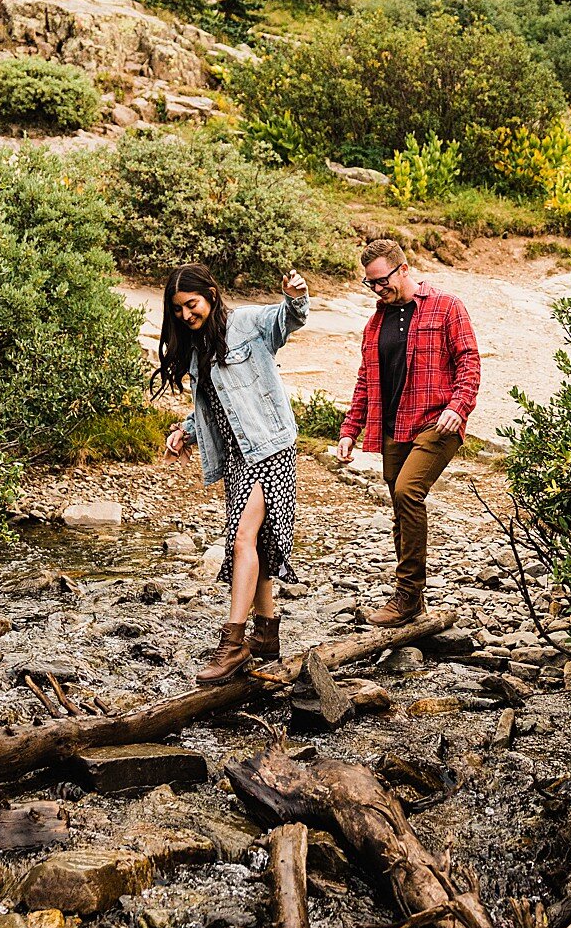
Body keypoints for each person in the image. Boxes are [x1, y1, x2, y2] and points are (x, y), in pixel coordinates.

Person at [156, 262, 311, 683]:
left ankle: (234, 643)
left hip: (269, 449)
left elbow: (288, 318)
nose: (186, 315)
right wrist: (186, 433)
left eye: (192, 305)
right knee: (255, 539)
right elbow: (213, 405)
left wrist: (295, 294)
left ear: (210, 293)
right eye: (178, 310)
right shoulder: (194, 349)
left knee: (243, 537)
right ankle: (266, 632)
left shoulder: (248, 324)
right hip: (237, 458)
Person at [336, 239, 480, 626]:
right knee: (401, 510)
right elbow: (366, 379)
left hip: (438, 422)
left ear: (402, 269)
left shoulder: (446, 306)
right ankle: (412, 602)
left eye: (381, 280)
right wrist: (351, 429)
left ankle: (407, 594)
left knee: (407, 491)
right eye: (370, 284)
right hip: (393, 426)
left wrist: (458, 406)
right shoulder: (376, 322)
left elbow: (469, 361)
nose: (377, 289)